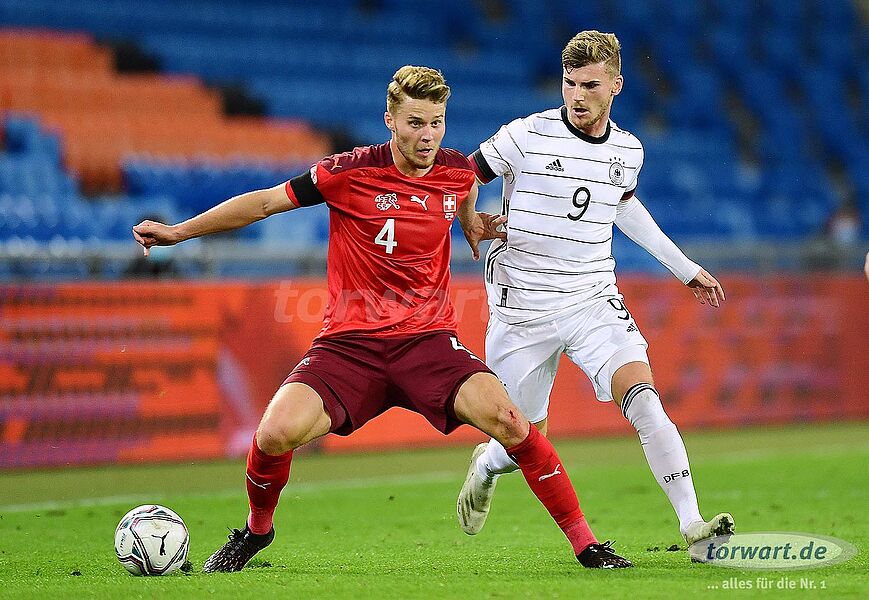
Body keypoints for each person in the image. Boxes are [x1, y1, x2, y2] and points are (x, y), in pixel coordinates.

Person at [132, 65, 632, 571]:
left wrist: (470, 224)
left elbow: (463, 192)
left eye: (436, 122)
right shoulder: (347, 172)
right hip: (350, 347)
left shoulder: (455, 171)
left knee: (510, 421)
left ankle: (587, 545)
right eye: (415, 123)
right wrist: (179, 233)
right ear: (390, 120)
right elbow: (263, 204)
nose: (428, 135)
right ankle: (256, 531)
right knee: (273, 434)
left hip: (427, 343)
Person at [455, 31, 734, 550]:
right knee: (523, 434)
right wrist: (469, 218)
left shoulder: (628, 150)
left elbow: (623, 206)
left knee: (644, 399)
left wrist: (684, 268)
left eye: (590, 85)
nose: (577, 95)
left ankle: (692, 525)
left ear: (616, 86)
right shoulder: (526, 134)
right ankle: (488, 465)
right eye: (569, 83)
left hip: (591, 298)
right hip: (523, 307)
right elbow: (466, 174)